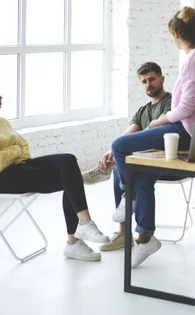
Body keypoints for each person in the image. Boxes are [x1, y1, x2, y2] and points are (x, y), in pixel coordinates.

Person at [0, 75, 110, 262]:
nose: (1, 97)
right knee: (70, 179)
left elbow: (25, 148)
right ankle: (77, 235)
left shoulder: (1, 122)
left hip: (20, 167)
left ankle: (81, 229)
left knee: (68, 161)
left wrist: (12, 152)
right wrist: (15, 150)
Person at [110, 7, 195, 267]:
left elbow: (185, 109)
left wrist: (158, 121)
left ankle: (129, 196)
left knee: (119, 145)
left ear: (176, 33)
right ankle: (146, 239)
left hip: (186, 133)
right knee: (143, 173)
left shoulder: (193, 60)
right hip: (193, 132)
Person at [81, 62, 172, 252]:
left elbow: (152, 133)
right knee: (118, 170)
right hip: (146, 161)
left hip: (166, 161)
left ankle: (130, 200)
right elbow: (128, 135)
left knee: (136, 177)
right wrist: (110, 150)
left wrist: (119, 148)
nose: (149, 84)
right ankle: (124, 231)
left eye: (152, 79)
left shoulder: (171, 102)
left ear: (162, 79)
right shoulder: (142, 111)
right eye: (144, 81)